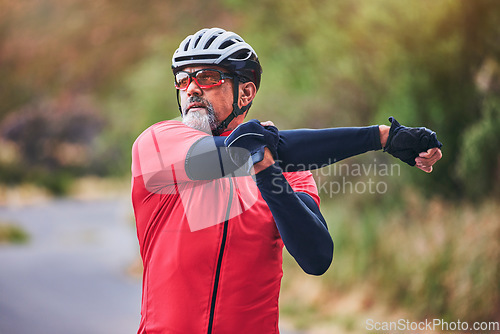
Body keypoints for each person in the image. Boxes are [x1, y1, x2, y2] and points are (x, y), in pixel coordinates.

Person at [131, 27, 442, 334]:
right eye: (183, 79)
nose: (191, 89)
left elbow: (316, 257)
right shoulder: (158, 145)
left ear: (246, 92)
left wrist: (267, 174)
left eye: (209, 77)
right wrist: (381, 137)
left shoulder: (291, 172)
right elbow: (240, 148)